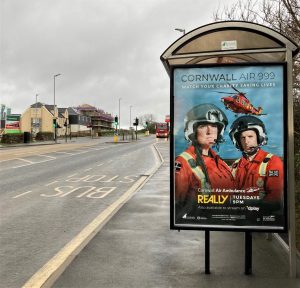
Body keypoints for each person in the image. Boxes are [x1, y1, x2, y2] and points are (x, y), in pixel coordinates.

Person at [175, 104, 234, 211]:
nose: (209, 131)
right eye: (202, 126)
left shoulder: (220, 162)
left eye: (214, 126)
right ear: (193, 131)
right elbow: (178, 205)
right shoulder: (183, 162)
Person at [229, 115, 284, 207]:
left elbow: (275, 198)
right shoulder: (236, 165)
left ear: (259, 137)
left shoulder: (273, 162)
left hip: (262, 216)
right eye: (243, 138)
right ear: (238, 141)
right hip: (239, 216)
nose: (246, 141)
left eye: (250, 136)